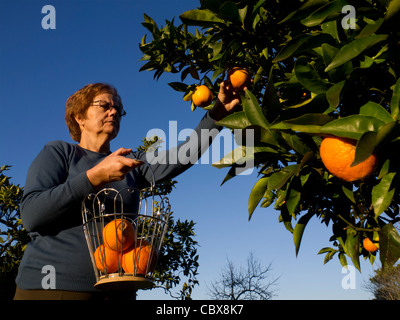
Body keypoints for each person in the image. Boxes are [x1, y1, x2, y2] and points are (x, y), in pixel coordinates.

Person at [14, 80, 242, 300]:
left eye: (118, 109)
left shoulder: (128, 162)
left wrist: (216, 115)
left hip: (119, 290)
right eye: (104, 105)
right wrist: (94, 177)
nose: (113, 112)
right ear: (79, 117)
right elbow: (33, 215)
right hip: (53, 289)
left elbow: (182, 155)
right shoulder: (60, 153)